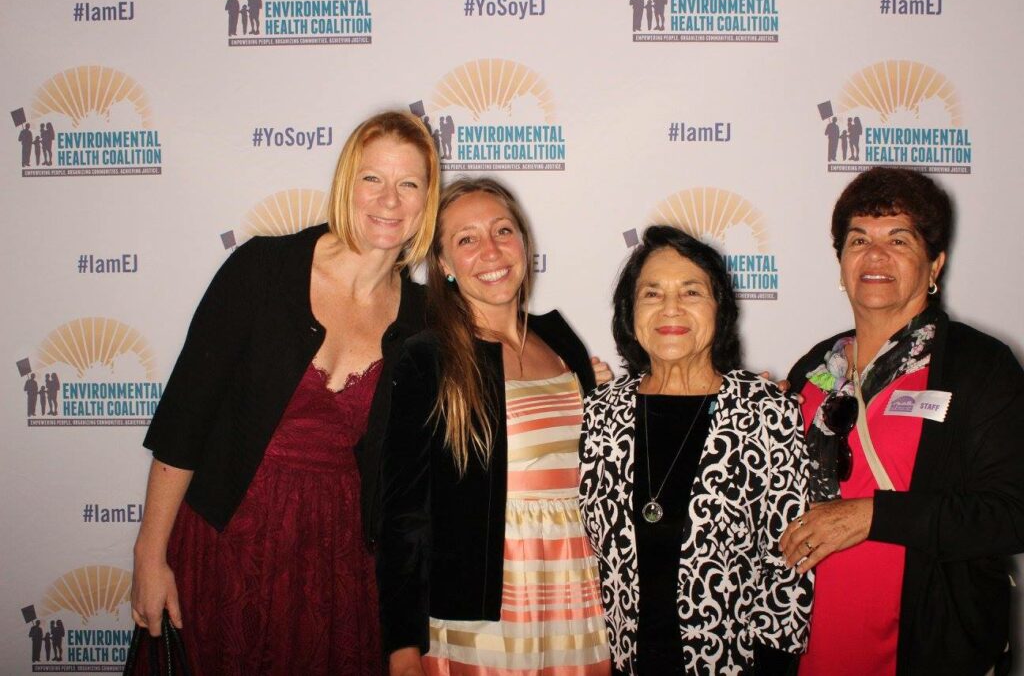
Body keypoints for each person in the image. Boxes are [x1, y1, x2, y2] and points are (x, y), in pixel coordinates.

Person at [129, 110, 440, 675]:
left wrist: (574, 373)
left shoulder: (423, 321)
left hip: (336, 563)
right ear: (348, 182)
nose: (389, 199)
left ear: (426, 200)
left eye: (408, 184)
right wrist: (150, 554)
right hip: (228, 542)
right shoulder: (263, 268)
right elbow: (184, 420)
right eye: (373, 178)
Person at [780, 167, 1024, 676]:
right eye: (858, 239)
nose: (874, 255)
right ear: (841, 261)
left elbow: (1010, 514)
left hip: (921, 647)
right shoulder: (814, 368)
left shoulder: (979, 366)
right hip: (805, 647)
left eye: (898, 239)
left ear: (935, 263)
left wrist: (873, 516)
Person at [379, 177, 611, 675]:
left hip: (580, 589)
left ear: (524, 242)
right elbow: (404, 515)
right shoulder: (429, 357)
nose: (491, 250)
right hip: (484, 604)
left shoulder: (561, 339)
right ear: (442, 265)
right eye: (467, 239)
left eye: (503, 230)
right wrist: (402, 647)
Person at [580, 225, 812, 675]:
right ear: (630, 312)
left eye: (691, 291)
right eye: (652, 294)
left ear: (719, 308)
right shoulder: (598, 413)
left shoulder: (767, 411)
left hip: (732, 666)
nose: (671, 308)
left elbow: (787, 564)